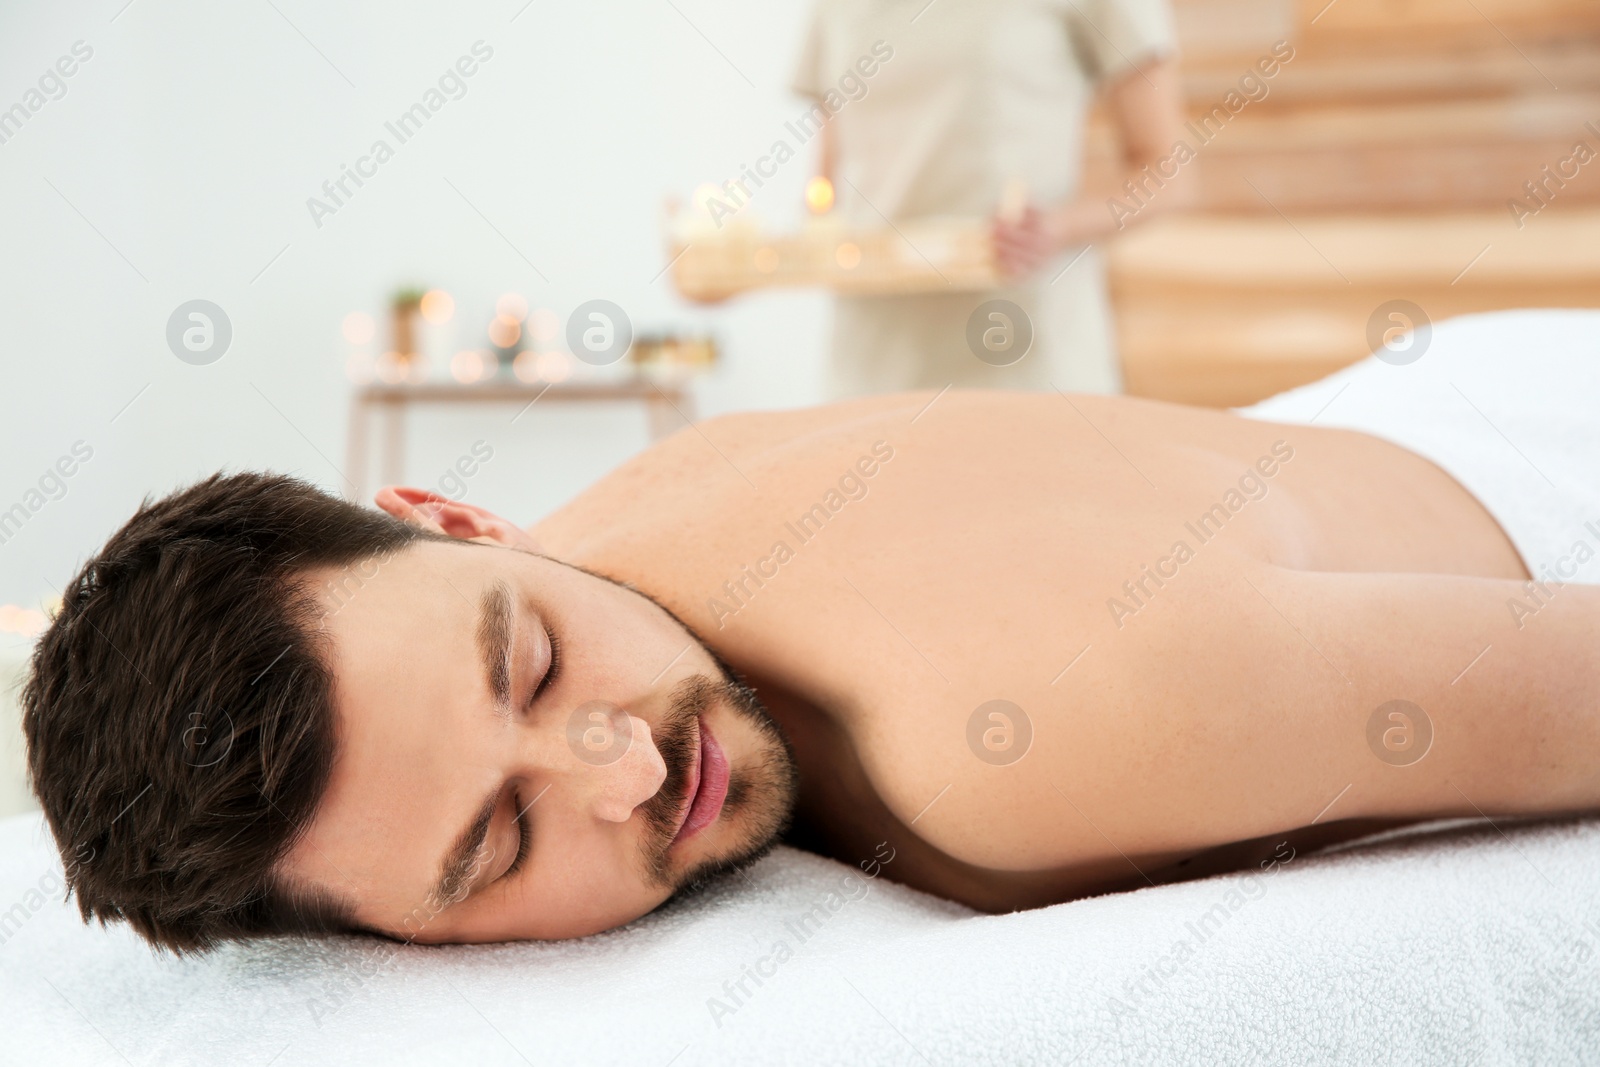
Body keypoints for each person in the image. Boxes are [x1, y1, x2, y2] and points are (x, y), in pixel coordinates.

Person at [21, 310, 1600, 952]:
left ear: (457, 516)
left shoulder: (1015, 725)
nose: (629, 768)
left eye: (532, 665)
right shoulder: (618, 530)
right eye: (499, 842)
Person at [791, 0, 1192, 398]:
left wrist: (1056, 227)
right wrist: (742, 266)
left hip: (1021, 354)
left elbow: (1168, 171)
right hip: (871, 365)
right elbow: (828, 190)